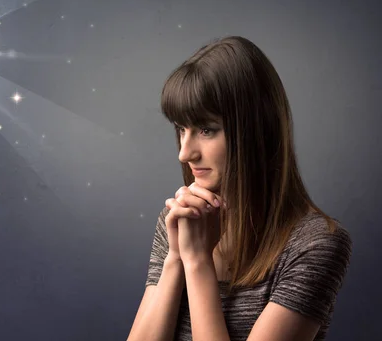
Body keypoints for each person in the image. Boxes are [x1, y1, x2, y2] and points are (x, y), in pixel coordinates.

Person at [127, 36, 352, 341]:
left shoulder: (314, 245)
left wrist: (197, 262)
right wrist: (175, 259)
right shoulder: (181, 222)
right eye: (181, 128)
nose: (184, 152)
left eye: (206, 130)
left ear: (256, 130)